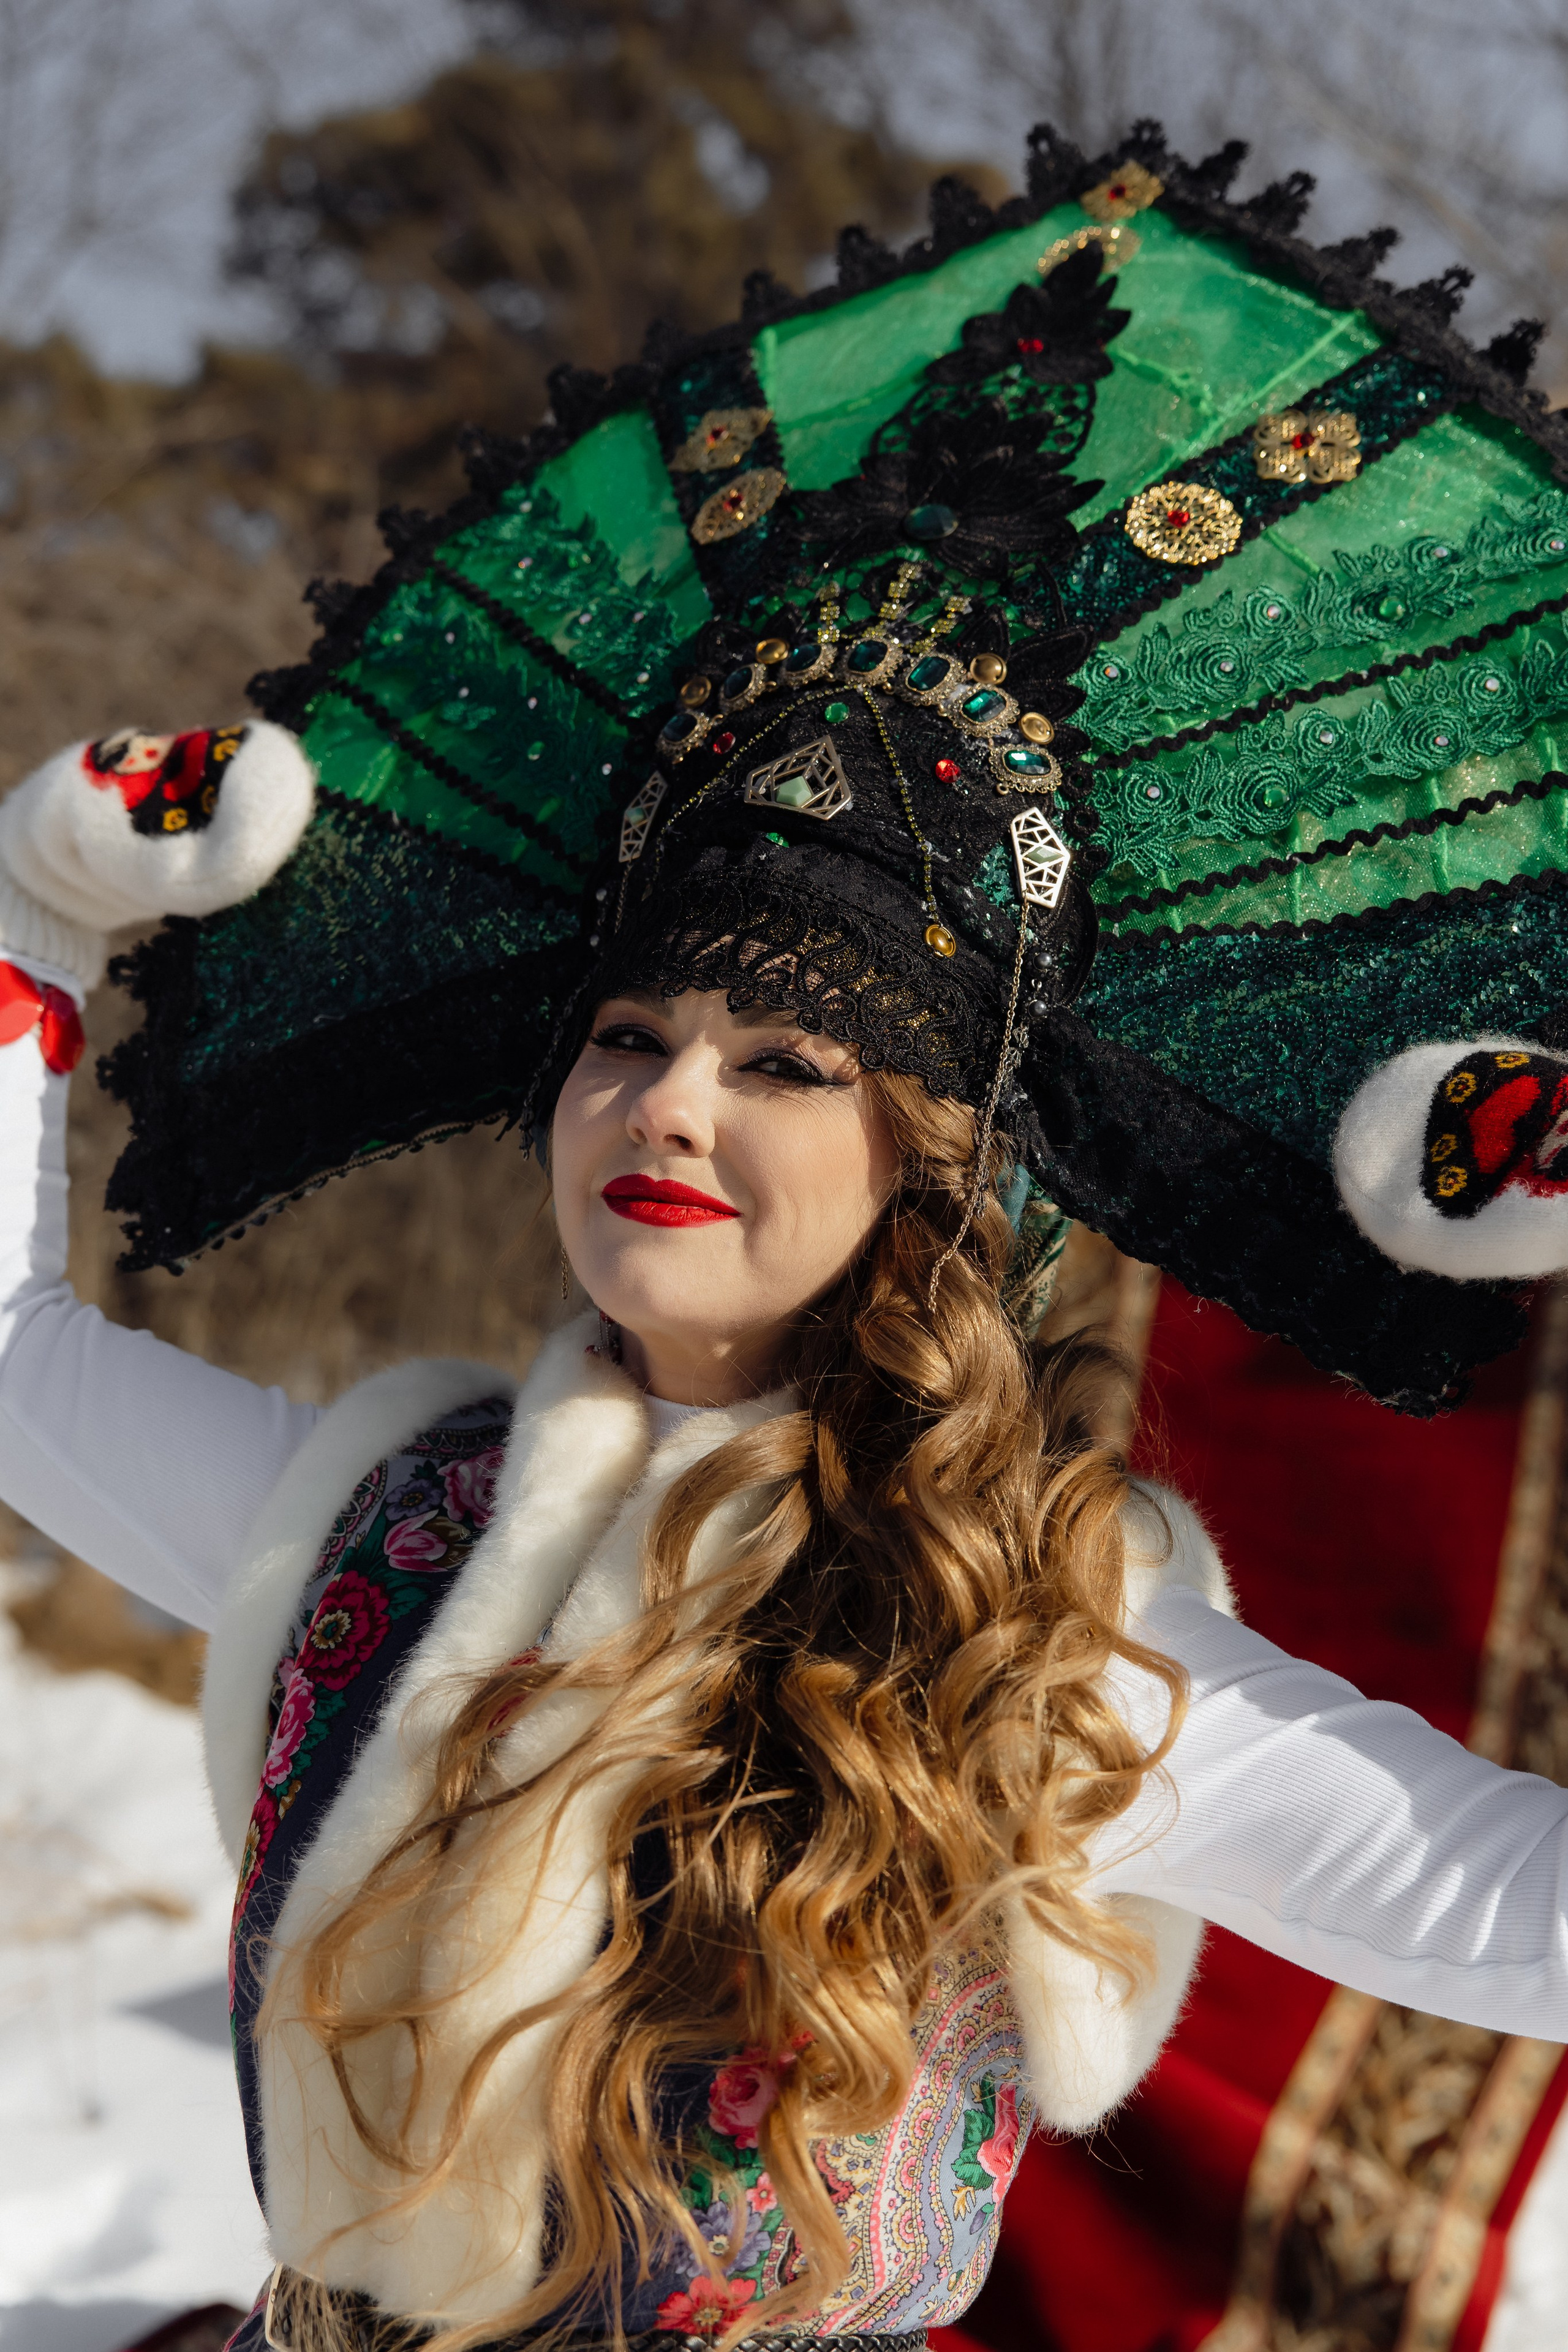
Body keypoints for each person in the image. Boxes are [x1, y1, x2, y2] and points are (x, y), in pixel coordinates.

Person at [7, 123, 1568, 2352]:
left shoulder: (1048, 1643)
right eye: (632, 1033)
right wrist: (33, 926)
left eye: (787, 1063)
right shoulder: (374, 1523)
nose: (671, 1104)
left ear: (926, 1159)